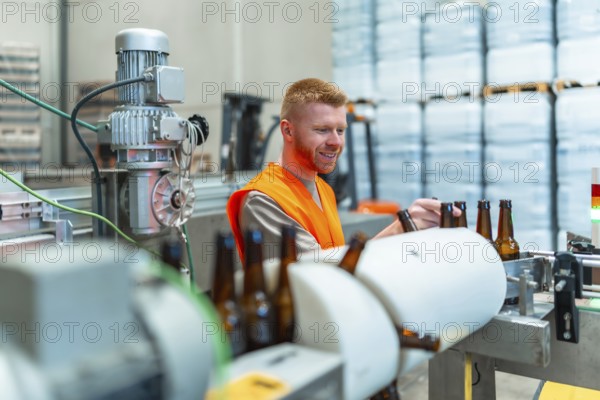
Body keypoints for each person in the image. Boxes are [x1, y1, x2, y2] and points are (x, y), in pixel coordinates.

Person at [226, 78, 460, 262]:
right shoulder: (262, 201)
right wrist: (399, 228)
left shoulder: (324, 189)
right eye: (322, 130)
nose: (336, 142)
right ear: (288, 131)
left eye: (340, 130)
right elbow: (320, 276)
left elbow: (338, 263)